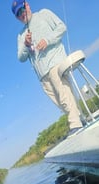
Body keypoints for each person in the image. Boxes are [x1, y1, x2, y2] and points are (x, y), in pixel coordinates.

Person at [11, 0, 83, 135]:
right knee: (60, 102)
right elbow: (21, 58)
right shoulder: (20, 36)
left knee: (63, 94)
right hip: (42, 75)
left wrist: (47, 40)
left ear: (27, 5)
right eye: (18, 13)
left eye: (22, 9)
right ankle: (81, 118)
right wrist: (26, 45)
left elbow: (62, 27)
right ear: (16, 17)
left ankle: (75, 124)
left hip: (56, 62)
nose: (22, 14)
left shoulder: (44, 14)